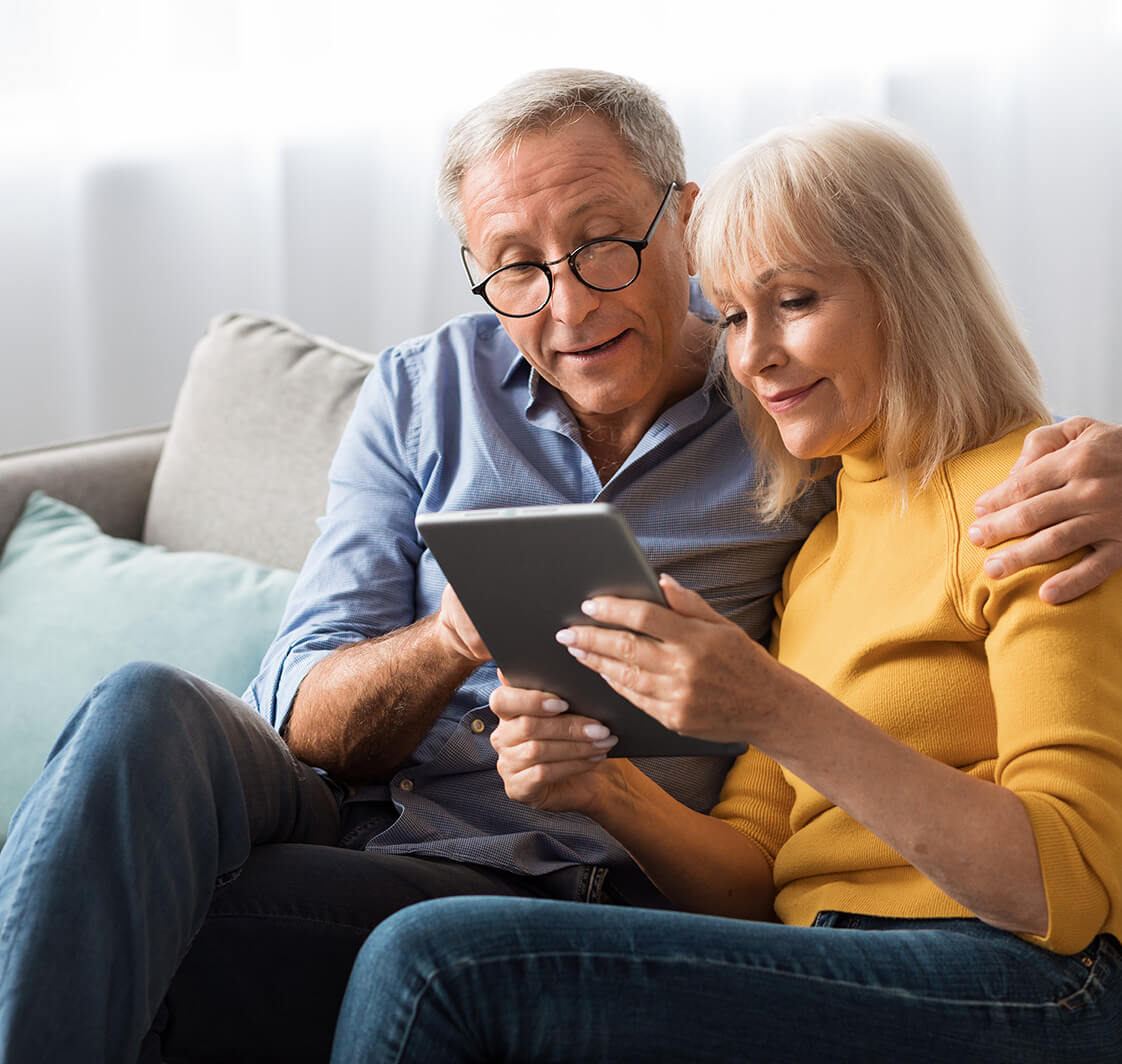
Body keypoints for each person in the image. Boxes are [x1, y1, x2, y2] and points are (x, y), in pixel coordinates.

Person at [0, 73, 1118, 1064]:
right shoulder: (796, 522)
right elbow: (302, 713)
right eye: (518, 270)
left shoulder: (872, 452)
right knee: (146, 711)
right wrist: (457, 636)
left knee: (412, 956)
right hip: (397, 827)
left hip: (643, 897)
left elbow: (954, 414)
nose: (571, 303)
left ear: (682, 220)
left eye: (602, 246)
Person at [325, 116, 1122, 1063]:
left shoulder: (1040, 503)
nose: (752, 357)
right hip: (822, 954)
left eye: (794, 301)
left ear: (910, 291)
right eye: (737, 316)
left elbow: (1065, 888)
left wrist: (776, 708)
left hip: (1023, 976)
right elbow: (752, 882)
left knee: (438, 961)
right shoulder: (819, 551)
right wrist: (603, 790)